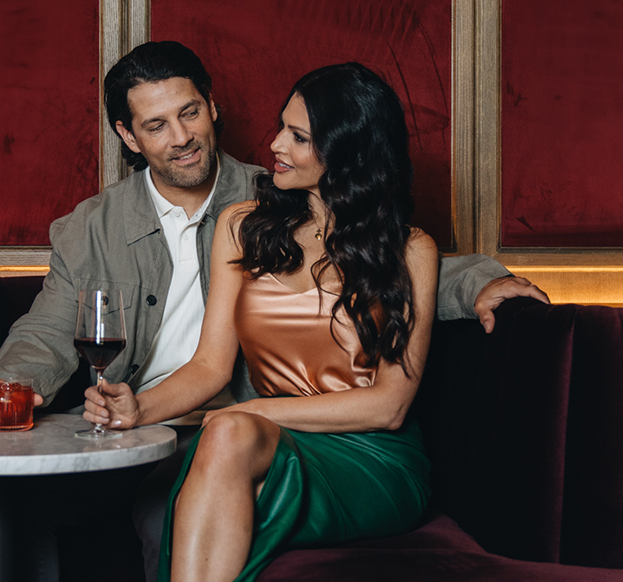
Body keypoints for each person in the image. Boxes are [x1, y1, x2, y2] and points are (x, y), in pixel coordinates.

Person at [0, 42, 548, 579]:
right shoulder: (106, 226)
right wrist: (16, 386)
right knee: (29, 509)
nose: (181, 136)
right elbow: (48, 327)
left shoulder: (265, 193)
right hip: (153, 426)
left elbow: (392, 266)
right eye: (156, 125)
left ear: (213, 107)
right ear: (128, 135)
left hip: (254, 429)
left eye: (190, 113)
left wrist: (481, 280)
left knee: (180, 497)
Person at [84, 62, 445, 581]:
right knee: (227, 437)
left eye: (297, 137)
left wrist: (253, 415)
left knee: (227, 431)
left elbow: (389, 407)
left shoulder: (411, 250)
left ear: (345, 152)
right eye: (282, 126)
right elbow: (210, 366)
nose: (274, 144)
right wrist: (136, 409)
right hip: (263, 441)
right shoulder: (243, 227)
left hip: (372, 457)